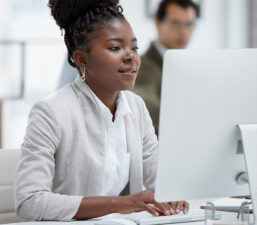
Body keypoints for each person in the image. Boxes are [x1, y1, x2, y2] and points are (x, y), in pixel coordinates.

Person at [14, 0, 188, 221]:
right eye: (115, 47)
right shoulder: (51, 112)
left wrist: (173, 195)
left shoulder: (136, 107)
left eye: (134, 47)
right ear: (82, 59)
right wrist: (122, 204)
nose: (131, 56)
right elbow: (29, 202)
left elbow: (161, 179)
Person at [133, 0, 200, 135]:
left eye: (190, 25)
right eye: (176, 24)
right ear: (158, 23)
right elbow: (144, 101)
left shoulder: (190, 66)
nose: (184, 32)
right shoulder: (144, 66)